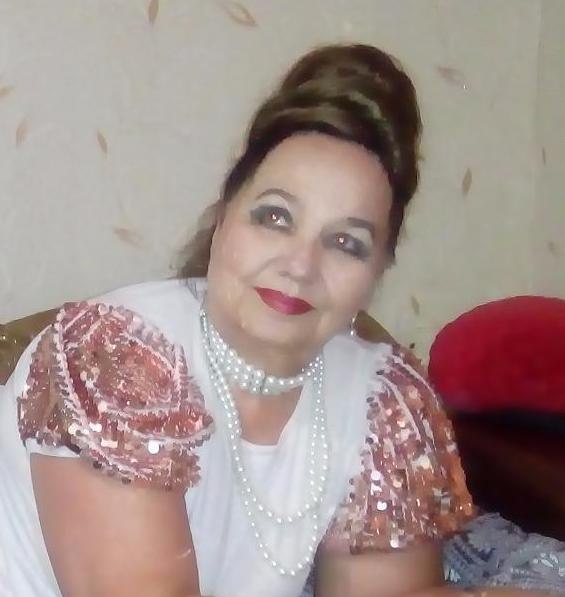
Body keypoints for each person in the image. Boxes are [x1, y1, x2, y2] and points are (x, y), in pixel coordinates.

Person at [0, 44, 551, 597]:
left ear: (377, 272)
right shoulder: (114, 358)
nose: (300, 265)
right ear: (223, 218)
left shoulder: (380, 403)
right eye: (275, 217)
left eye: (346, 243)